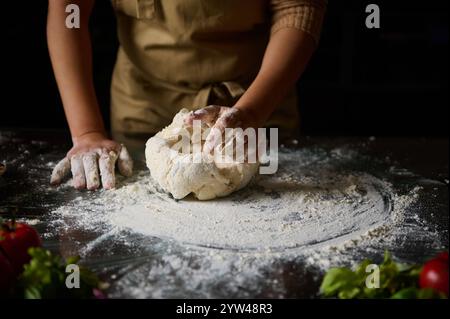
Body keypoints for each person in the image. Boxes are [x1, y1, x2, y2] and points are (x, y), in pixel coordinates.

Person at [48, 0, 327, 190]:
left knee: (278, 214)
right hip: (145, 109)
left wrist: (252, 111)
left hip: (259, 101)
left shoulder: (257, 108)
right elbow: (69, 9)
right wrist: (87, 133)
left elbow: (297, 8)